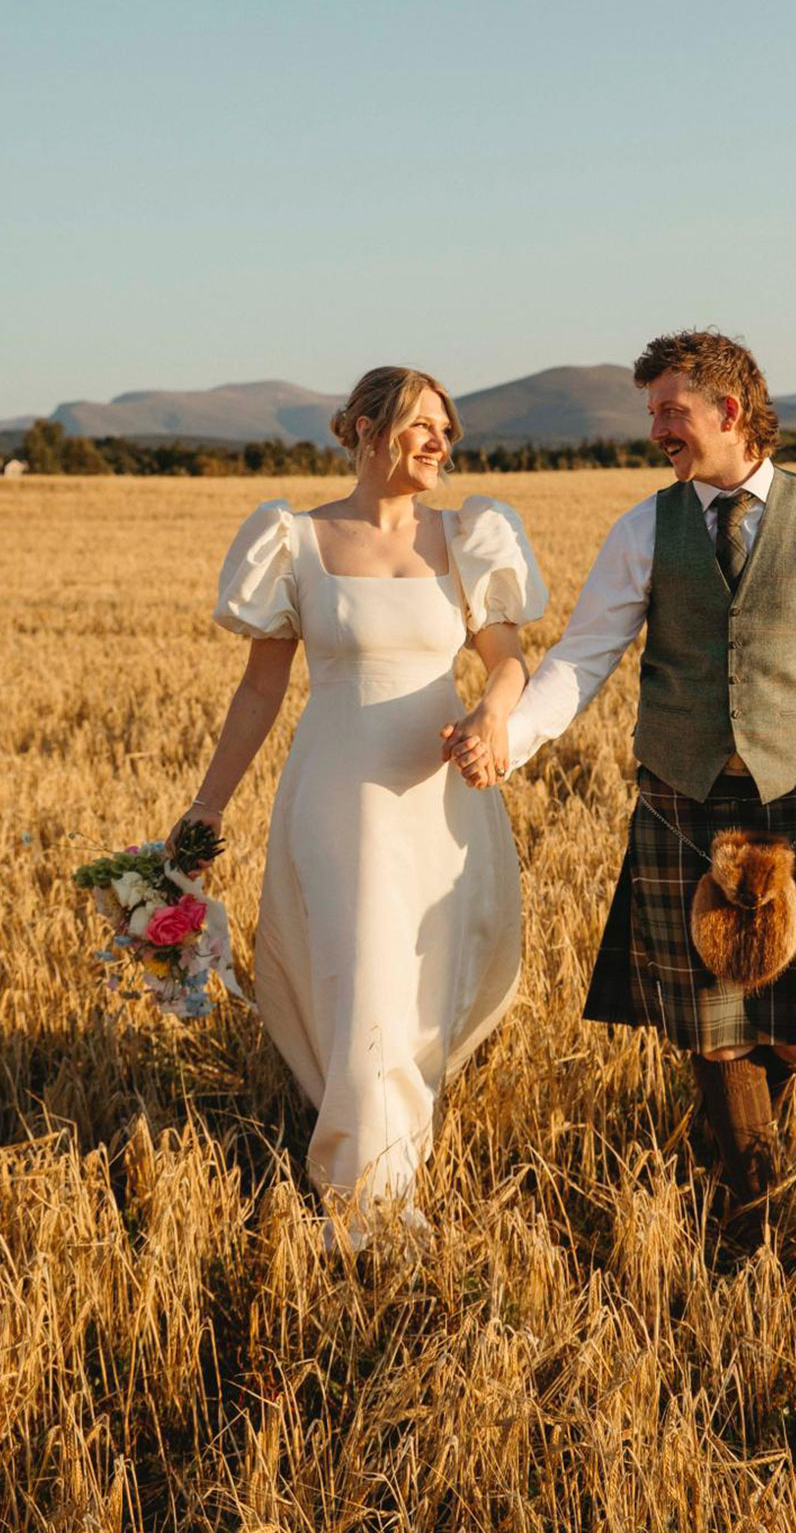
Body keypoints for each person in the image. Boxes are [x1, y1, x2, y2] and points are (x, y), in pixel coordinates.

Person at [450, 329, 796, 1229]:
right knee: (715, 1029)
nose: (656, 431)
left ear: (729, 411)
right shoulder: (645, 526)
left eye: (670, 412)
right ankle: (753, 1212)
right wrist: (512, 740)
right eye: (651, 414)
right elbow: (583, 658)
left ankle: (735, 1146)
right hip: (683, 801)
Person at [171, 366, 547, 1247]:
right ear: (368, 430)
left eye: (448, 432)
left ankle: (384, 1166)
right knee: (363, 979)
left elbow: (506, 660)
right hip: (338, 793)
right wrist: (208, 807)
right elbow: (260, 693)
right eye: (423, 425)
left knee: (419, 989)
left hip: (441, 796)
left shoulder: (467, 537)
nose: (440, 444)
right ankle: (362, 1199)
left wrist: (491, 715)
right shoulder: (293, 539)